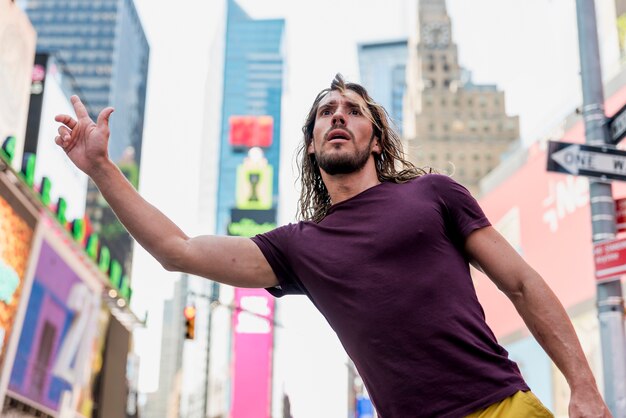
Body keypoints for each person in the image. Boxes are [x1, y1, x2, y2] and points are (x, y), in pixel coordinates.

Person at [55, 74, 611, 418]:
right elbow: (176, 249)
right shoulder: (300, 247)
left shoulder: (435, 194)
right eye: (326, 112)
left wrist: (582, 387)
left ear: (375, 137)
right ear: (313, 143)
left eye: (352, 110)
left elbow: (520, 282)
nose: (338, 116)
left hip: (502, 408)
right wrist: (102, 170)